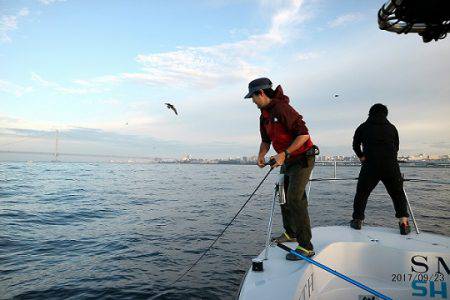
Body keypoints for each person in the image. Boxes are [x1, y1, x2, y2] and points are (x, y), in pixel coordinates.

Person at [244, 77, 316, 260]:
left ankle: (306, 246)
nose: (252, 101)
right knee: (282, 194)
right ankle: (291, 233)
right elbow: (266, 141)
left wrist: (284, 154)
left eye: (253, 97)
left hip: (302, 158)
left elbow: (304, 135)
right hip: (287, 160)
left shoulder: (282, 108)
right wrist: (261, 155)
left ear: (260, 93)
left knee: (294, 198)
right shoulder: (263, 115)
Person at [351, 103, 411, 235]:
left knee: (362, 194)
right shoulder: (392, 128)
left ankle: (357, 221)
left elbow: (355, 145)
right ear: (386, 114)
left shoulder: (363, 127)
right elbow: (396, 147)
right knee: (397, 194)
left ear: (369, 113)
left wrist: (361, 156)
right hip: (391, 165)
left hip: (370, 165)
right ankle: (404, 223)